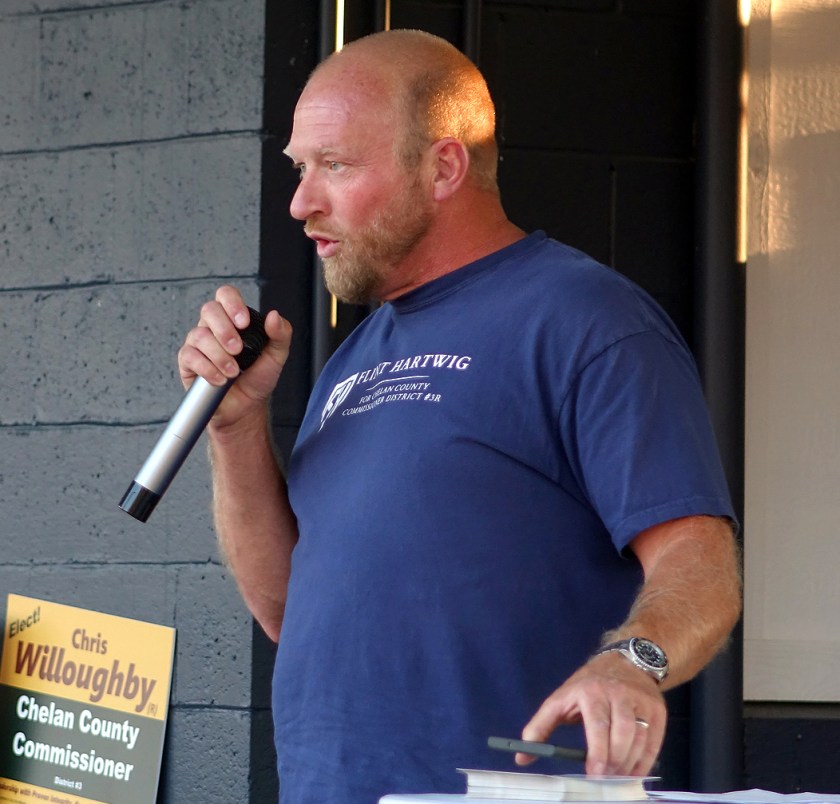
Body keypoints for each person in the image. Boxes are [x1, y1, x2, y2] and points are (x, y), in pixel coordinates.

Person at [177, 29, 742, 803]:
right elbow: (284, 611)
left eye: (335, 165)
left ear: (444, 167)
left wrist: (631, 661)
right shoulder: (356, 355)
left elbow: (700, 561)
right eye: (301, 168)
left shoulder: (586, 321)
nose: (301, 203)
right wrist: (236, 428)